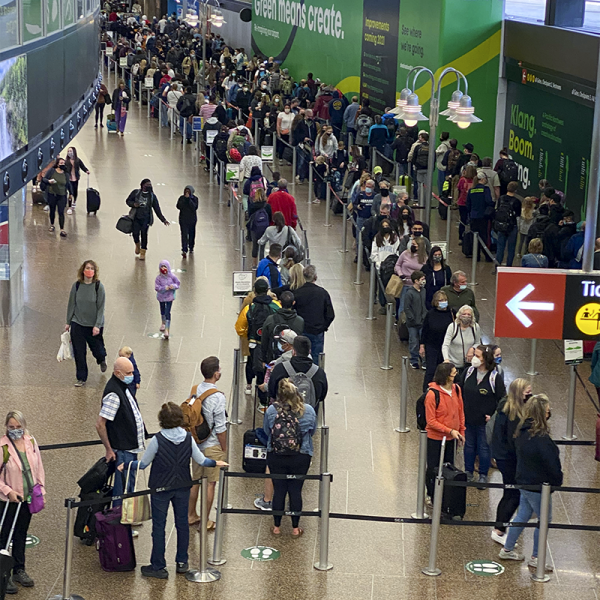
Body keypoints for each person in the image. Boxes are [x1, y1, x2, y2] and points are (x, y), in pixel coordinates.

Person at [132, 403, 227, 579]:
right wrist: (216, 463)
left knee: (159, 527)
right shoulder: (188, 437)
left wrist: (128, 465)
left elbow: (144, 464)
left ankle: (158, 566)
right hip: (182, 485)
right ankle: (182, 561)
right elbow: (202, 460)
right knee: (182, 524)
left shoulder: (157, 440)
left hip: (160, 487)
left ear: (162, 420)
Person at [499, 394, 563, 570]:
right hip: (539, 485)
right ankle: (537, 557)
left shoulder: (522, 431)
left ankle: (508, 548)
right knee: (544, 520)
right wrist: (557, 481)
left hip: (524, 481)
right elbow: (552, 464)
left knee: (523, 515)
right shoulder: (542, 439)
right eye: (548, 411)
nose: (550, 413)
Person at [264, 378, 316, 537]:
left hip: (276, 455)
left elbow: (267, 431)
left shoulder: (271, 411)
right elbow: (312, 431)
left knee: (279, 489)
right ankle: (295, 528)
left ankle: (277, 527)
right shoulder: (308, 410)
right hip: (301, 455)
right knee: (295, 489)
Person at [0, 411, 44, 594]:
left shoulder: (30, 442)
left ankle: (19, 569)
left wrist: (41, 490)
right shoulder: (2, 447)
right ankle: (4, 574)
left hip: (27, 498)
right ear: (6, 427)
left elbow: (39, 467)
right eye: (11, 427)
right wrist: (8, 491)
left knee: (20, 533)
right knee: (4, 537)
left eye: (19, 427)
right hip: (8, 501)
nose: (15, 430)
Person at [96, 357, 147, 504]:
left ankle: (126, 517)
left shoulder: (122, 387)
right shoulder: (114, 394)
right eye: (129, 372)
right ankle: (119, 520)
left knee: (128, 486)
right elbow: (100, 424)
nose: (132, 375)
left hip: (130, 447)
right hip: (123, 450)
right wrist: (109, 449)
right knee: (123, 489)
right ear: (118, 373)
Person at [185, 356, 227, 530]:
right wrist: (224, 449)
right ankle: (205, 521)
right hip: (212, 445)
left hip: (196, 443)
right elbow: (221, 428)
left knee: (196, 480)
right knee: (210, 483)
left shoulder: (195, 389)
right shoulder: (218, 397)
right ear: (216, 374)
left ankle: (190, 515)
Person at [491, 378, 531, 546]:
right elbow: (513, 441)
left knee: (509, 493)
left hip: (503, 456)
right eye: (527, 393)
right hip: (509, 459)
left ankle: (500, 527)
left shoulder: (505, 405)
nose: (530, 395)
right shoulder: (512, 415)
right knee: (513, 494)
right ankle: (500, 529)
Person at [460, 345, 506, 487]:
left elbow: (503, 400)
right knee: (468, 446)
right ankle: (468, 472)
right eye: (474, 354)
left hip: (484, 422)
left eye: (478, 356)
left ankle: (483, 475)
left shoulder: (494, 378)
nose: (474, 358)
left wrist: (492, 417)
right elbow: (459, 390)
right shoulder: (468, 372)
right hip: (467, 419)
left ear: (485, 359)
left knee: (484, 447)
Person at [235, 279, 281, 407]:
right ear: (267, 291)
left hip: (255, 344)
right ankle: (267, 399)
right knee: (271, 368)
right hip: (273, 344)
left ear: (254, 291)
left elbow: (239, 328)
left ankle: (254, 391)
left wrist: (249, 336)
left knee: (254, 366)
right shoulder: (276, 306)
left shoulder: (249, 308)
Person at [424, 362, 465, 498]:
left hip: (451, 437)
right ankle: (431, 494)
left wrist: (461, 431)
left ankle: (445, 496)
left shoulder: (457, 389)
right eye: (453, 373)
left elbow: (460, 412)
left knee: (449, 468)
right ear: (447, 376)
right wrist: (450, 431)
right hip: (435, 438)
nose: (456, 375)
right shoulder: (432, 394)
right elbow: (431, 421)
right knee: (433, 468)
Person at [66, 260, 107, 387]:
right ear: (82, 270)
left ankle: (101, 359)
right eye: (87, 268)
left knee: (97, 348)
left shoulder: (98, 287)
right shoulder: (76, 286)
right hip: (77, 322)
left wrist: (97, 325)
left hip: (93, 324)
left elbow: (101, 308)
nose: (89, 270)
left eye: (91, 268)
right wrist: (68, 322)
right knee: (79, 351)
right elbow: (71, 304)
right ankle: (81, 377)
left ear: (95, 272)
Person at [291, 266, 335, 364]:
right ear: (315, 277)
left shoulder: (297, 293)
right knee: (316, 359)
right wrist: (323, 327)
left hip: (301, 330)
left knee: (300, 357)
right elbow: (330, 315)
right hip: (317, 331)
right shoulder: (323, 293)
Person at [125, 179, 170, 260]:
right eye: (147, 184)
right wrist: (134, 204)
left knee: (144, 234)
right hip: (136, 217)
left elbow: (157, 209)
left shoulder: (152, 196)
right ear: (142, 185)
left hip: (146, 219)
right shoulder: (135, 193)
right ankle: (137, 245)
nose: (148, 186)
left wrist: (163, 220)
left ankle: (143, 252)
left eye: (150, 185)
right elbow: (128, 201)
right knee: (135, 233)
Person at [420, 291, 454, 391]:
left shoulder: (452, 313)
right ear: (436, 302)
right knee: (430, 370)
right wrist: (422, 345)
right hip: (432, 345)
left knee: (444, 370)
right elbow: (425, 330)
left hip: (447, 346)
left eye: (445, 300)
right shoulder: (430, 314)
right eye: (441, 300)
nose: (444, 302)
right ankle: (427, 390)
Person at [260, 291, 304, 366]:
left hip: (273, 360)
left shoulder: (270, 319)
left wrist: (263, 359)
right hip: (292, 362)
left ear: (280, 302)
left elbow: (264, 341)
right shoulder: (300, 321)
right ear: (293, 303)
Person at [394, 236, 427, 316]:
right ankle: (401, 323)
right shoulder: (405, 253)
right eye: (412, 244)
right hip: (405, 284)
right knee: (403, 305)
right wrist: (400, 274)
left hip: (417, 286)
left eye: (414, 245)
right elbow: (397, 265)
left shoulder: (424, 257)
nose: (412, 246)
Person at [442, 305, 481, 371]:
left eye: (469, 314)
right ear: (459, 315)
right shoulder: (452, 327)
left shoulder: (475, 327)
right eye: (464, 314)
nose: (466, 316)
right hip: (454, 364)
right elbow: (445, 345)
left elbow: (478, 343)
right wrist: (446, 359)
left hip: (469, 364)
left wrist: (472, 348)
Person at [467, 172, 494, 261]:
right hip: (483, 217)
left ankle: (476, 256)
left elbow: (468, 205)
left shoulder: (471, 190)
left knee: (474, 237)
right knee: (484, 237)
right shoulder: (486, 190)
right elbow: (489, 201)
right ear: (482, 179)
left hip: (473, 216)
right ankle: (487, 256)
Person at [42, 157, 72, 237]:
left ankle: (62, 229)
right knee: (52, 210)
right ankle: (52, 225)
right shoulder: (52, 171)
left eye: (63, 163)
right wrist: (49, 181)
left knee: (61, 212)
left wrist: (71, 193)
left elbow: (68, 184)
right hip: (52, 194)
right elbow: (44, 179)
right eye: (61, 163)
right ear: (57, 164)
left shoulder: (65, 174)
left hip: (62, 195)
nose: (63, 164)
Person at [494, 181, 521, 267]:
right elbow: (518, 215)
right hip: (512, 226)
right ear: (516, 190)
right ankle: (508, 267)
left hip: (501, 225)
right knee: (511, 248)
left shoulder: (501, 199)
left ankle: (497, 266)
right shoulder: (517, 201)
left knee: (500, 247)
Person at [405, 271, 427, 369]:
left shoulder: (424, 291)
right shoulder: (409, 293)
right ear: (416, 281)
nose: (424, 281)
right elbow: (407, 307)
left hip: (422, 321)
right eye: (422, 279)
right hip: (413, 323)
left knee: (423, 342)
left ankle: (423, 360)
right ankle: (414, 360)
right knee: (413, 342)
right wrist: (411, 318)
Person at [154, 260, 180, 339]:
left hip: (169, 297)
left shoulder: (172, 276)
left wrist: (173, 286)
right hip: (161, 297)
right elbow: (157, 288)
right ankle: (163, 323)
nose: (163, 268)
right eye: (161, 267)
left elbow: (178, 284)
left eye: (165, 266)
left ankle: (167, 330)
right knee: (162, 310)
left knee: (167, 311)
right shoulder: (158, 278)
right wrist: (164, 288)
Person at [64, 147, 90, 214]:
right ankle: (69, 206)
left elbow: (82, 166)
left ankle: (74, 201)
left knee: (75, 191)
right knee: (70, 192)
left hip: (75, 178)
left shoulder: (77, 160)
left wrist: (86, 170)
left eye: (71, 151)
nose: (69, 152)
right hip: (69, 178)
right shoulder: (66, 161)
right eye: (68, 151)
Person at [176, 185, 198, 258]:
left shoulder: (195, 199)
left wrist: (189, 200)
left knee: (192, 234)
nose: (187, 193)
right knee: (184, 234)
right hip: (183, 219)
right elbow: (178, 206)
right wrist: (185, 200)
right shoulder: (181, 198)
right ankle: (184, 249)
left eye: (188, 191)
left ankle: (191, 246)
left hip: (192, 220)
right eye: (186, 191)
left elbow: (194, 207)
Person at [456, 165, 476, 242]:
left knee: (462, 220)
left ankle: (461, 237)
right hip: (472, 203)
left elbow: (459, 189)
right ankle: (471, 237)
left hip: (462, 202)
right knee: (471, 220)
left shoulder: (462, 180)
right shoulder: (475, 180)